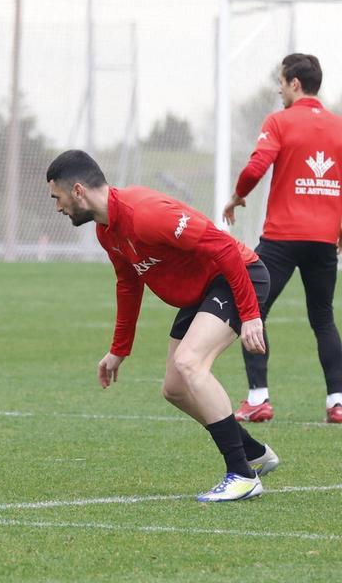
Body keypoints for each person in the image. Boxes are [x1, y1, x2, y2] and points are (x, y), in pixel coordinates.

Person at [46, 150, 279, 502]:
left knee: (189, 363)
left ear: (78, 190)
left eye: (57, 197)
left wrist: (250, 314)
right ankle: (253, 453)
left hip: (236, 275)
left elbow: (223, 247)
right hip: (202, 290)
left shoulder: (145, 214)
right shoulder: (106, 231)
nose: (57, 207)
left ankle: (242, 474)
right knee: (175, 388)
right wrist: (118, 350)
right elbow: (128, 284)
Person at [223, 53, 342, 424]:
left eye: (281, 81)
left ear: (295, 83)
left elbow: (256, 167)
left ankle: (258, 399)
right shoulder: (339, 126)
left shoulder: (279, 121)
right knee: (323, 318)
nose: (278, 89)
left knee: (252, 309)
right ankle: (337, 403)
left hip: (282, 238)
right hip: (324, 238)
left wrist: (237, 196)